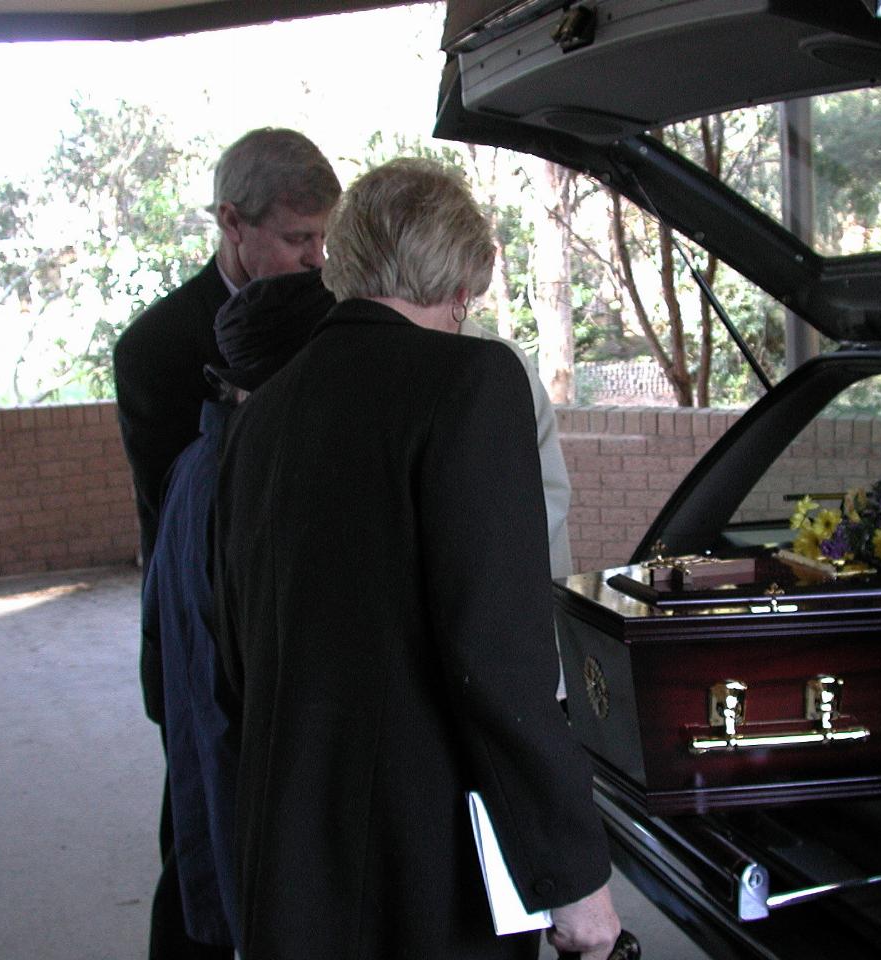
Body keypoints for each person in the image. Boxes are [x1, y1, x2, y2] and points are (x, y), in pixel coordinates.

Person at [213, 157, 621, 959]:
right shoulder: (472, 380)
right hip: (422, 857)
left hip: (287, 848)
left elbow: (235, 655)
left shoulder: (261, 414)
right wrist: (569, 873)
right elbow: (500, 655)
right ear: (462, 283)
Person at [113, 127, 340, 960]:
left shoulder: (332, 317)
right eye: (296, 238)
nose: (317, 259)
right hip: (198, 634)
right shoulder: (156, 348)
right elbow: (186, 513)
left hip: (295, 635)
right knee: (201, 841)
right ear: (231, 223)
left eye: (324, 237)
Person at [142, 270, 334, 953]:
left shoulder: (194, 463)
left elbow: (156, 651)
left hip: (211, 763)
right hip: (254, 785)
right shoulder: (262, 480)